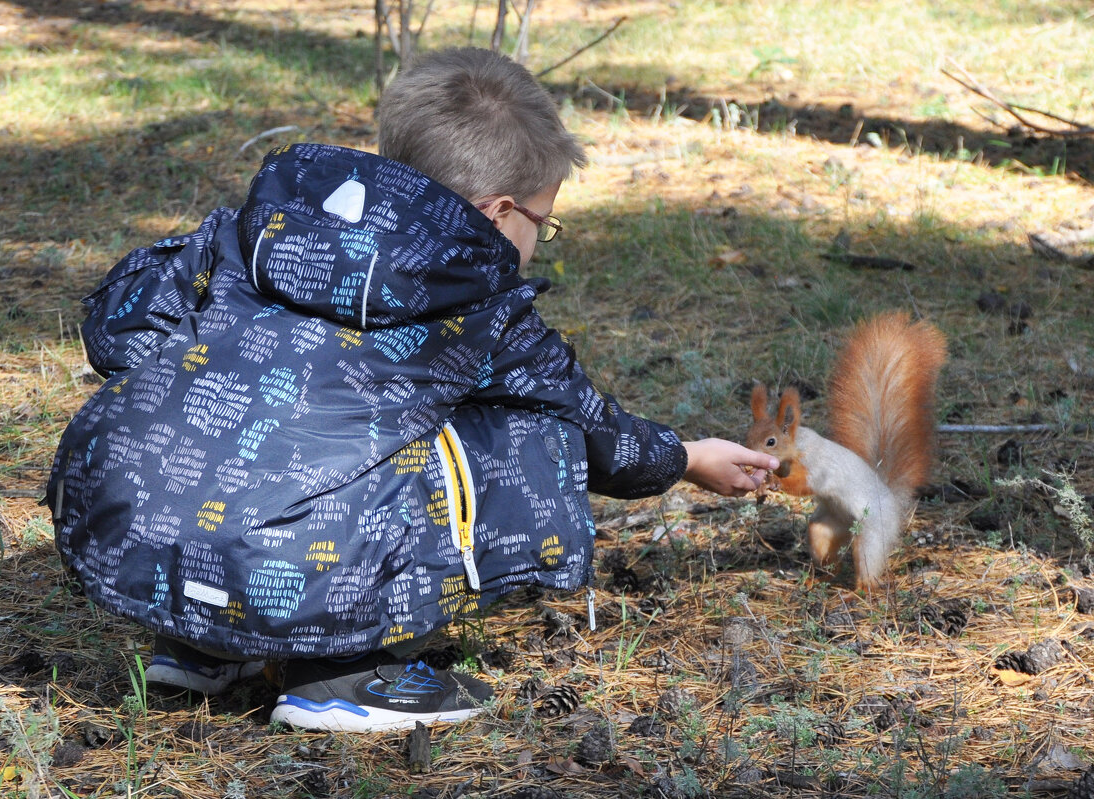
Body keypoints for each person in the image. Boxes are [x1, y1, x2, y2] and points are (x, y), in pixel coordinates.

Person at [46, 46, 777, 733]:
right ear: (498, 212)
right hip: (290, 563)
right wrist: (684, 456)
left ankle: (202, 639)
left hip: (125, 538)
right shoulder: (481, 302)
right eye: (541, 225)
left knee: (241, 416)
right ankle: (341, 669)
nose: (534, 244)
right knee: (532, 430)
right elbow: (598, 432)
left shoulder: (256, 225)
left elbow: (117, 333)